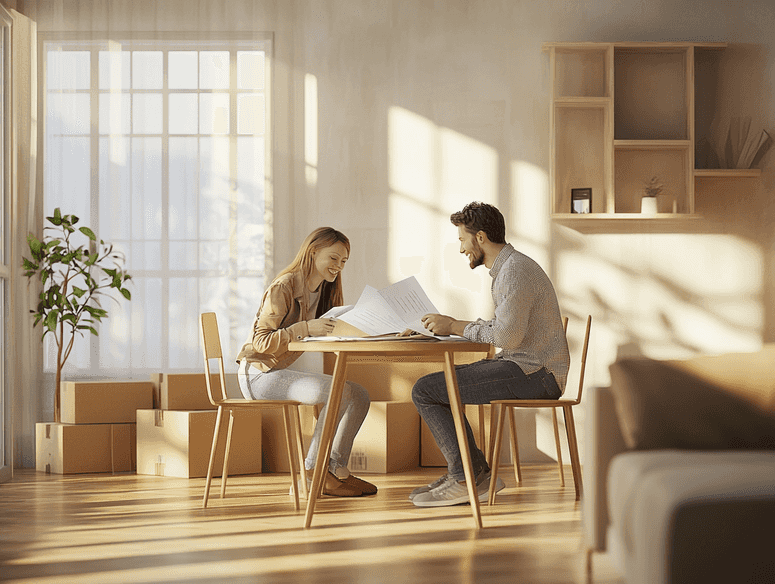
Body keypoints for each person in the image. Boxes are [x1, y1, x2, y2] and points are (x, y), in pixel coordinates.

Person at [410, 202, 570, 507]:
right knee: (436, 386)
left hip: (536, 375)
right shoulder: (511, 268)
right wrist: (452, 325)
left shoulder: (514, 271)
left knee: (426, 390)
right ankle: (474, 473)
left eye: (462, 239)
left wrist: (455, 326)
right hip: (528, 369)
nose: (461, 249)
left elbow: (507, 337)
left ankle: (465, 478)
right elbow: (504, 328)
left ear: (480, 237)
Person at [236, 227, 377, 497]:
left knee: (359, 394)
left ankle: (335, 470)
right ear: (313, 252)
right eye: (333, 258)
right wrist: (306, 328)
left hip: (277, 372)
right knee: (340, 391)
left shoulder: (323, 290)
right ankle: (312, 473)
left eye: (344, 261)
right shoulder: (284, 286)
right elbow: (261, 342)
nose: (339, 266)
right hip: (257, 376)